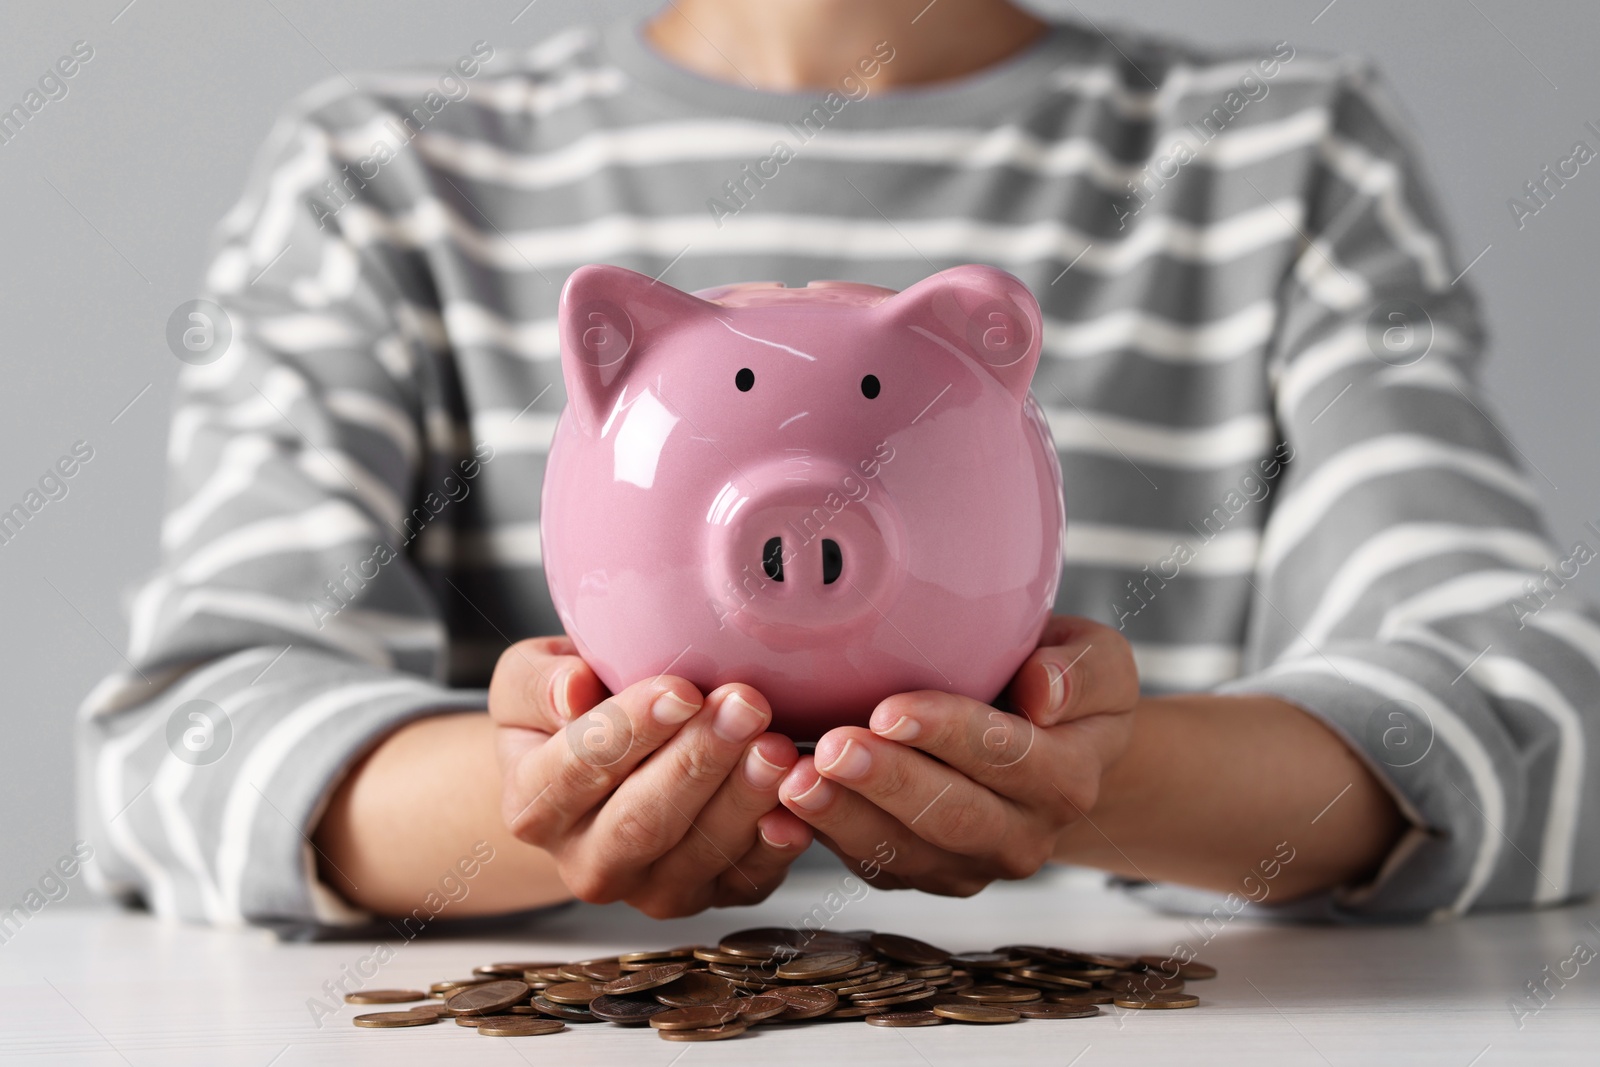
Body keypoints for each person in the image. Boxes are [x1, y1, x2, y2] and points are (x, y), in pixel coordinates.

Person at [78, 0, 1599, 936]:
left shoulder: (1281, 156)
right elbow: (183, 749)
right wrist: (542, 805)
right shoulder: (388, 179)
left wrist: (1099, 784)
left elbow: (1539, 716)